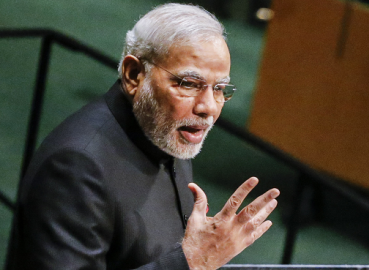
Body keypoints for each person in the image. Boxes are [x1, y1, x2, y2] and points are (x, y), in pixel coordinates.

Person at [5, 3, 279, 270]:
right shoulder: (76, 167)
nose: (207, 108)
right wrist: (192, 261)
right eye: (188, 84)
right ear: (134, 75)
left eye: (219, 88)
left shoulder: (167, 131)